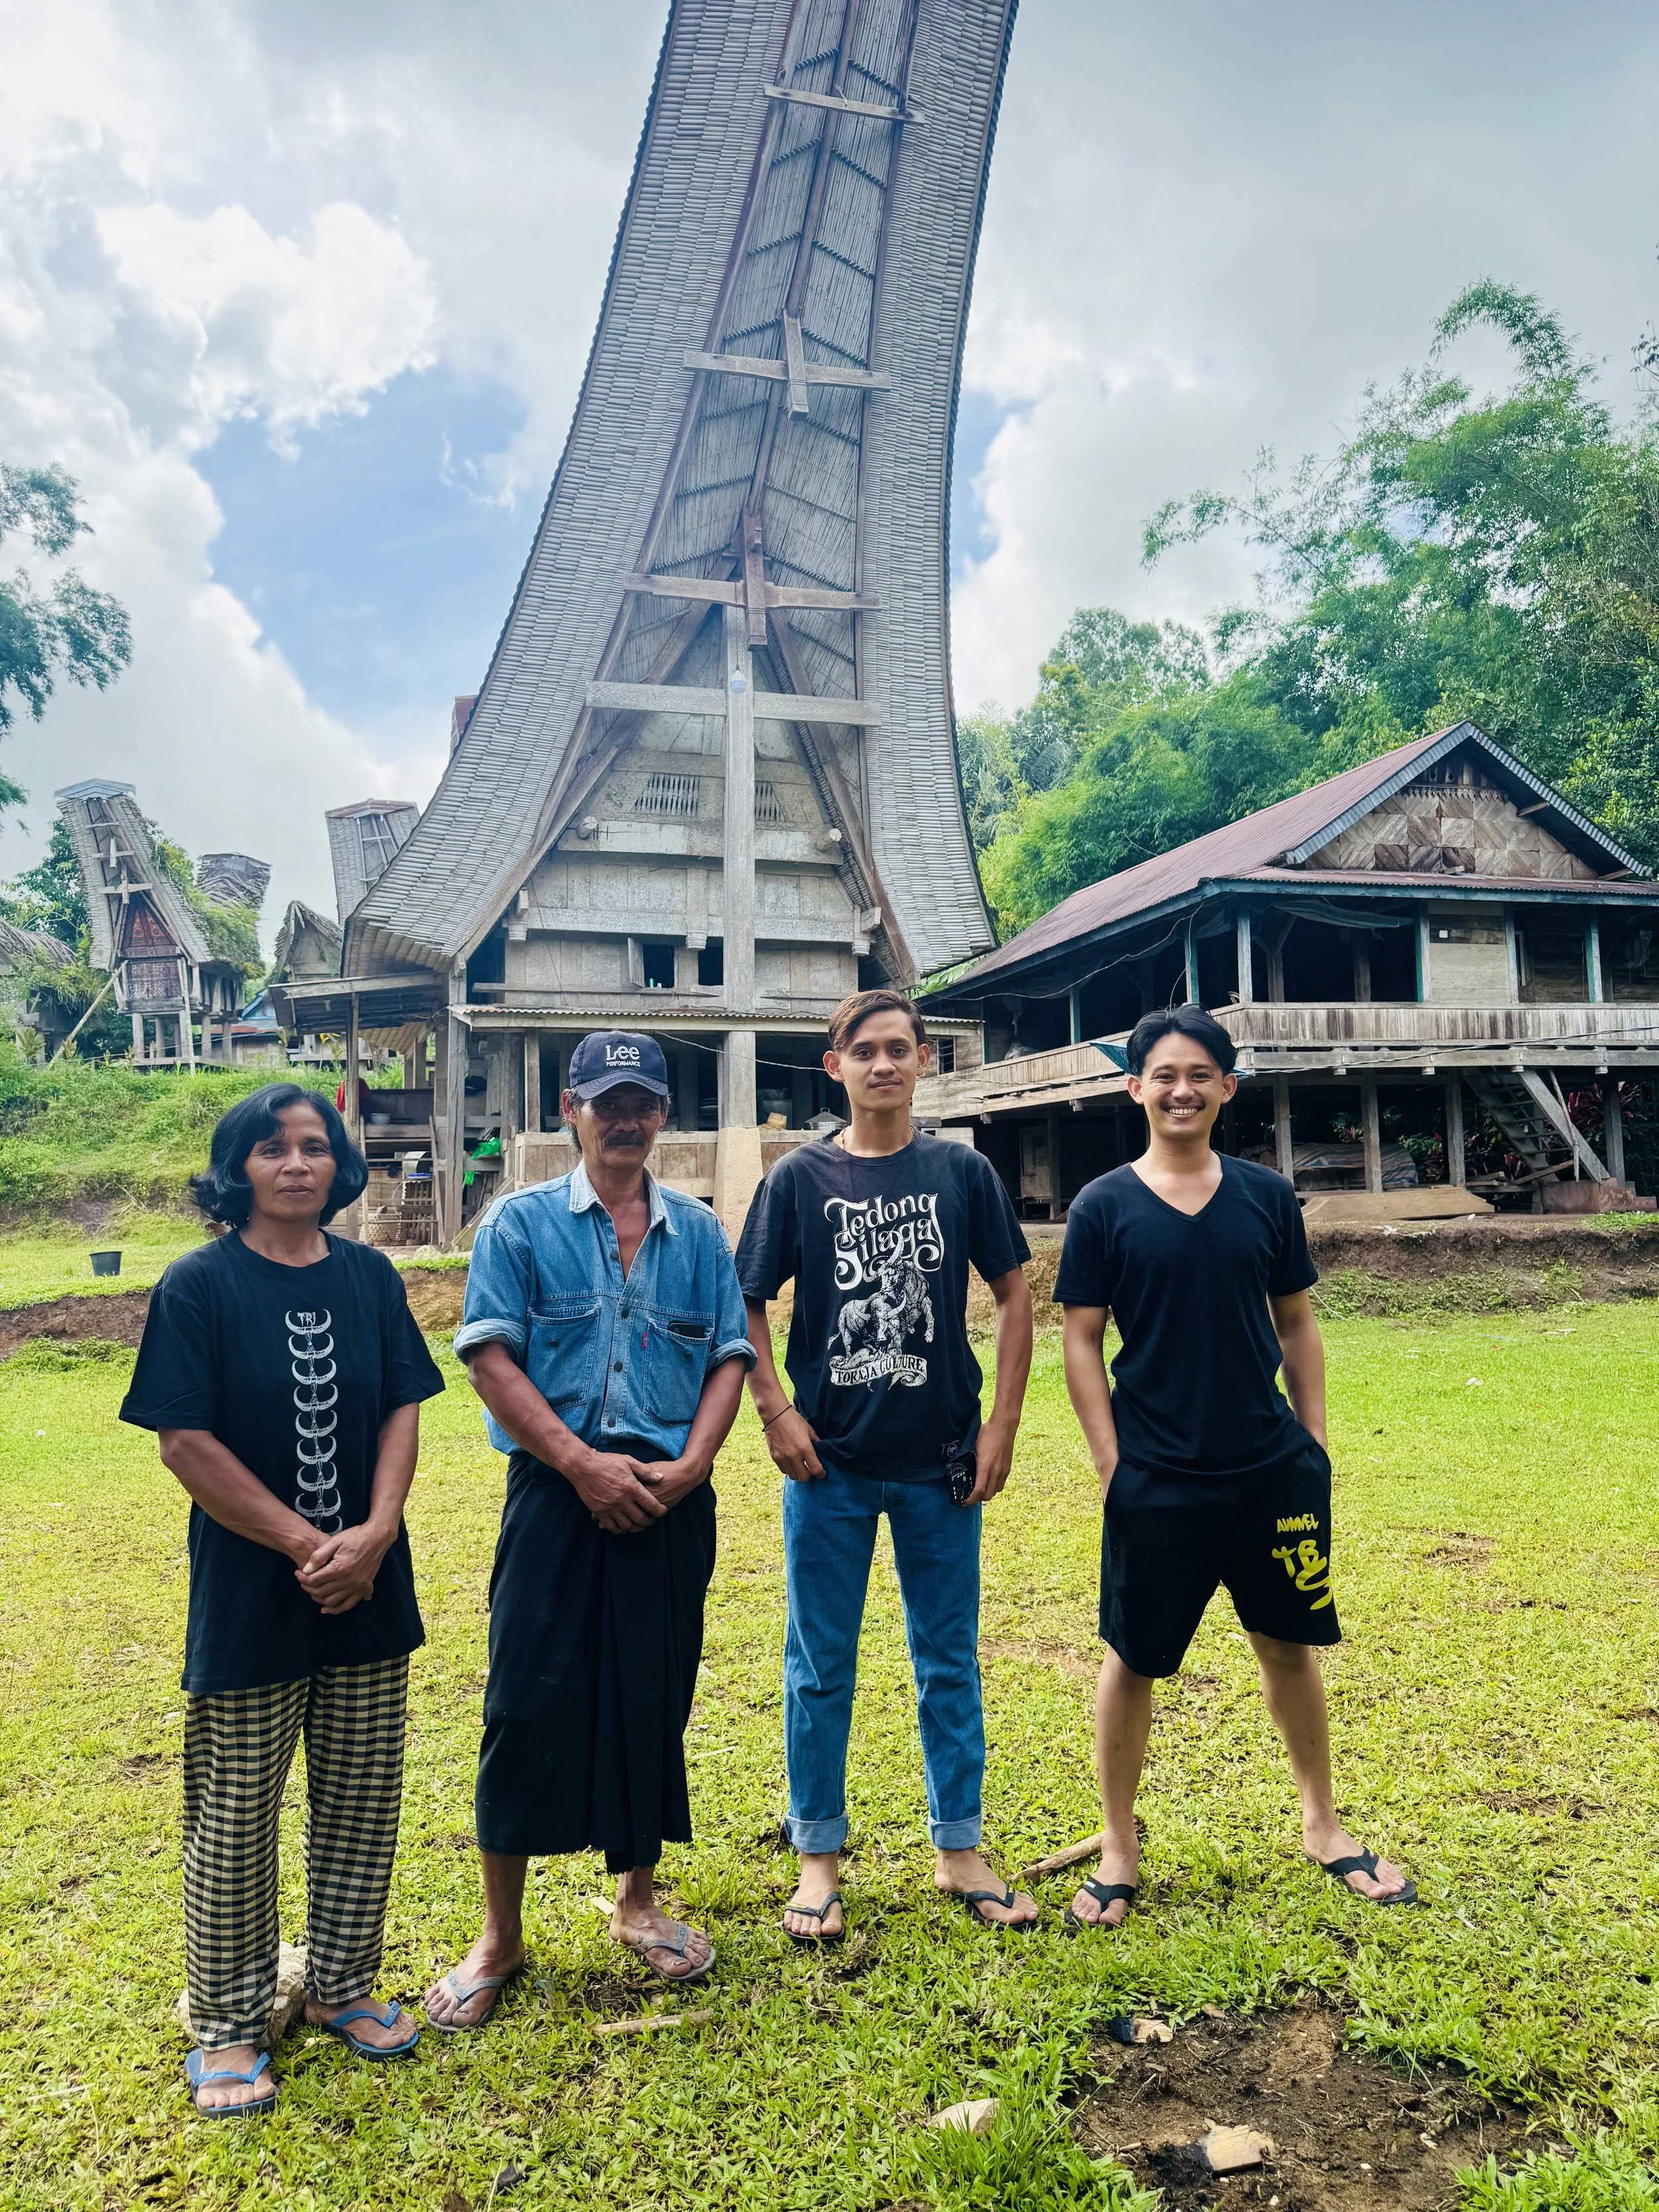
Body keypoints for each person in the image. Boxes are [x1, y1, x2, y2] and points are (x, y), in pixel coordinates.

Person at [121, 1082, 445, 2117]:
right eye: (272, 1149)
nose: (297, 1163)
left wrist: (379, 1530)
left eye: (314, 1146)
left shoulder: (370, 1279)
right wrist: (313, 1544)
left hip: (369, 1586)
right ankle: (226, 2022)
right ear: (238, 1170)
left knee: (360, 1796)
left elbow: (404, 1405)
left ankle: (343, 1986)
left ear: (339, 1166)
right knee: (236, 1812)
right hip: (255, 1594)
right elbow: (184, 1440)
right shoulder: (198, 1287)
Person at [1054, 1005, 1415, 1930]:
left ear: (1228, 1088)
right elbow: (1083, 1341)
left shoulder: (1264, 1197)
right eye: (1163, 1074)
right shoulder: (1103, 1206)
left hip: (1268, 1469)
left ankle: (1323, 1825)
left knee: (1288, 1648)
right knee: (1133, 1658)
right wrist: (1111, 1461)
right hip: (1158, 1478)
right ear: (1134, 1088)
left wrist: (1316, 1437)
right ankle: (1121, 1845)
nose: (1182, 1090)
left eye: (1200, 1074)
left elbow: (1296, 1321)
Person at [426, 1031, 753, 2028]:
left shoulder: (697, 1234)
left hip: (666, 1499)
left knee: (653, 1698)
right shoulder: (518, 1227)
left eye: (643, 1101)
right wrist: (578, 1465)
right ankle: (501, 1936)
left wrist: (694, 1466)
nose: (626, 1117)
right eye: (606, 1100)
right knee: (525, 1702)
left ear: (662, 1114)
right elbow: (489, 1358)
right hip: (555, 1496)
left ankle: (638, 1904)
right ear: (570, 1107)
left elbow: (731, 1355)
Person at [736, 990, 1038, 1943]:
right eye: (864, 1051)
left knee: (947, 1659)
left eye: (900, 1050)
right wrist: (775, 1409)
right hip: (828, 1464)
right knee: (819, 1663)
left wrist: (1004, 1423)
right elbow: (744, 1301)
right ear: (836, 1066)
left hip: (942, 1459)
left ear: (923, 1063)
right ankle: (818, 1858)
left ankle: (960, 1851)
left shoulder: (962, 1172)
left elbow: (1017, 1295)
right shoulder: (799, 1177)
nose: (883, 1065)